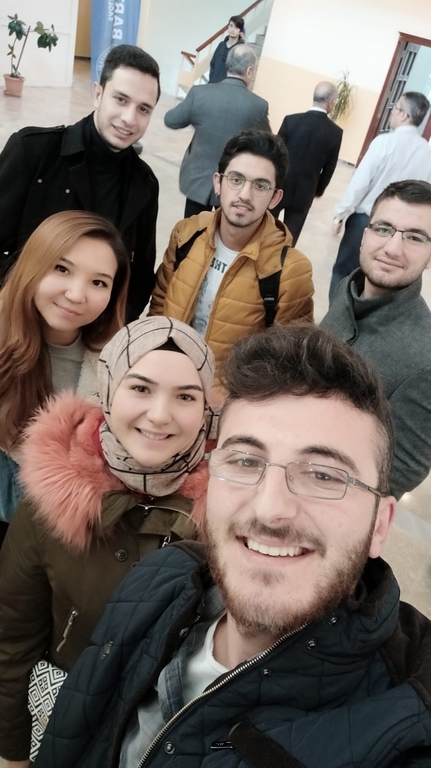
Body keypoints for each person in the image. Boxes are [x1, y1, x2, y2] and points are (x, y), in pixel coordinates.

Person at [35, 324, 431, 768]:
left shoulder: (405, 719)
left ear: (380, 525)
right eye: (245, 461)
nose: (270, 509)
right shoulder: (159, 577)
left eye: (324, 475)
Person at [0, 316, 217, 768]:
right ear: (109, 390)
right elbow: (11, 643)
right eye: (140, 388)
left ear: (206, 410)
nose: (160, 415)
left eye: (185, 396)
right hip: (65, 727)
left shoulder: (227, 511)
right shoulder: (52, 497)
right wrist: (12, 755)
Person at [0, 44, 161, 321]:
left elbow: (140, 274)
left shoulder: (145, 184)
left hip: (92, 333)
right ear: (98, 94)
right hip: (20, 319)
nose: (129, 119)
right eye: (121, 100)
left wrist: (113, 329)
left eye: (143, 109)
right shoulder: (34, 151)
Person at [0, 210, 130, 533]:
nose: (76, 295)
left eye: (98, 282)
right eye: (62, 269)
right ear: (33, 264)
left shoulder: (118, 368)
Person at [149, 130, 314, 385]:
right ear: (218, 183)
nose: (245, 195)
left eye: (260, 185)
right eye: (236, 179)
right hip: (166, 376)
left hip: (226, 400)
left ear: (275, 197)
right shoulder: (186, 234)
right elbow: (160, 304)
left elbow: (285, 362)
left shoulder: (290, 271)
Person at [322, 179, 431, 500]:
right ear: (364, 235)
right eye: (383, 229)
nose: (392, 248)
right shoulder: (347, 289)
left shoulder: (425, 356)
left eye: (415, 237)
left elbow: (398, 472)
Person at [329, 90, 431, 299]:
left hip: (368, 221)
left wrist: (341, 213)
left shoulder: (384, 143)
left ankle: (337, 316)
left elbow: (359, 184)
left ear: (404, 115)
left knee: (345, 271)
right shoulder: (427, 153)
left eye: (395, 108)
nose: (392, 112)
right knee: (382, 280)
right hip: (405, 230)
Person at [164, 45, 271, 218]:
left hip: (197, 180)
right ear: (249, 71)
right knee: (224, 230)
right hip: (233, 186)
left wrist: (197, 120)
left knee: (192, 229)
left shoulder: (199, 93)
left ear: (228, 65)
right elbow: (267, 143)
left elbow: (171, 120)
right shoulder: (258, 106)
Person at [273, 82, 343, 245]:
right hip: (305, 192)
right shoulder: (335, 132)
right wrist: (318, 190)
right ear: (331, 102)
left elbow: (275, 153)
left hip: (280, 186)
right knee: (289, 239)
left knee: (266, 229)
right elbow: (329, 167)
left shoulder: (291, 121)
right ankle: (282, 259)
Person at [208, 15, 245, 83]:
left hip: (228, 86)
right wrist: (211, 80)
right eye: (231, 26)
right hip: (213, 84)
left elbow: (240, 72)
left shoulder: (240, 49)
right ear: (228, 27)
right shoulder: (221, 45)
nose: (232, 29)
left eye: (236, 27)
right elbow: (213, 64)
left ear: (240, 31)